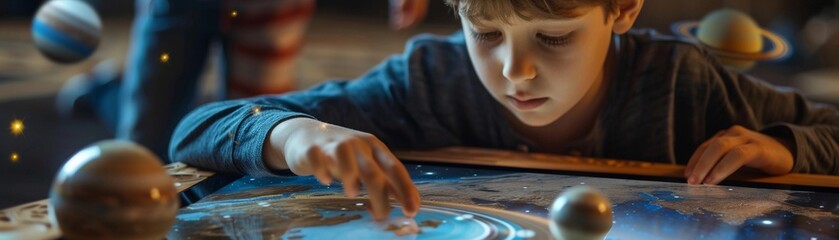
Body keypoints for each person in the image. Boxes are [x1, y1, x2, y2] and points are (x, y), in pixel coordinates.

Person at [169, 0, 839, 221]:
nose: (514, 71)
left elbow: (828, 130)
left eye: (553, 38)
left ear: (622, 10)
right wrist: (296, 134)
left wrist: (785, 149)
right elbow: (198, 129)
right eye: (485, 34)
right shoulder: (427, 81)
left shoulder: (685, 84)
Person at [57, 0, 428, 162]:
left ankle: (107, 89)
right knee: (143, 143)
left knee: (250, 137)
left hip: (269, 7)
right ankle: (107, 91)